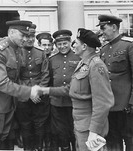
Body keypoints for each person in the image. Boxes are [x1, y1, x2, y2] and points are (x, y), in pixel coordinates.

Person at [37, 28, 114, 151]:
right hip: (81, 123)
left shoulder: (96, 65)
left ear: (84, 46)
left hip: (90, 126)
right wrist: (47, 91)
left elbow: (103, 102)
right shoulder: (83, 64)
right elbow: (71, 89)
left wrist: (94, 131)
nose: (74, 45)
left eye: (76, 43)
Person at [0, 20, 41, 150]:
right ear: (12, 32)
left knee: (4, 139)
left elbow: (16, 78)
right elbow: (2, 83)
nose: (26, 39)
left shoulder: (18, 50)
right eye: (23, 35)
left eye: (28, 35)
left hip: (9, 104)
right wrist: (28, 91)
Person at [97, 14, 133, 151]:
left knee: (129, 139)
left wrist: (131, 101)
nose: (101, 32)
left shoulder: (129, 45)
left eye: (103, 28)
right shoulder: (104, 50)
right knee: (112, 139)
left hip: (126, 106)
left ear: (113, 27)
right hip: (109, 105)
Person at [15, 24, 50, 151]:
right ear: (23, 36)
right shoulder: (17, 53)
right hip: (23, 97)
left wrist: (39, 92)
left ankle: (39, 148)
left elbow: (45, 75)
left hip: (39, 97)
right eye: (27, 36)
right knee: (25, 126)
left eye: (32, 36)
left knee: (39, 125)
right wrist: (28, 93)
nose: (30, 39)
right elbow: (16, 76)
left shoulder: (41, 53)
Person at [48, 29, 80, 151]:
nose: (62, 46)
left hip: (74, 101)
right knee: (61, 131)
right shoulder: (52, 59)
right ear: (56, 45)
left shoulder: (78, 57)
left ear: (70, 42)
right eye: (59, 44)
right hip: (57, 102)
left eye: (65, 43)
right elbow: (50, 80)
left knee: (74, 130)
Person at [36, 32, 54, 151]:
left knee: (52, 125)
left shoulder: (54, 58)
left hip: (53, 96)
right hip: (40, 96)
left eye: (48, 45)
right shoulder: (36, 58)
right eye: (43, 45)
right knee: (40, 124)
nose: (46, 47)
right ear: (38, 45)